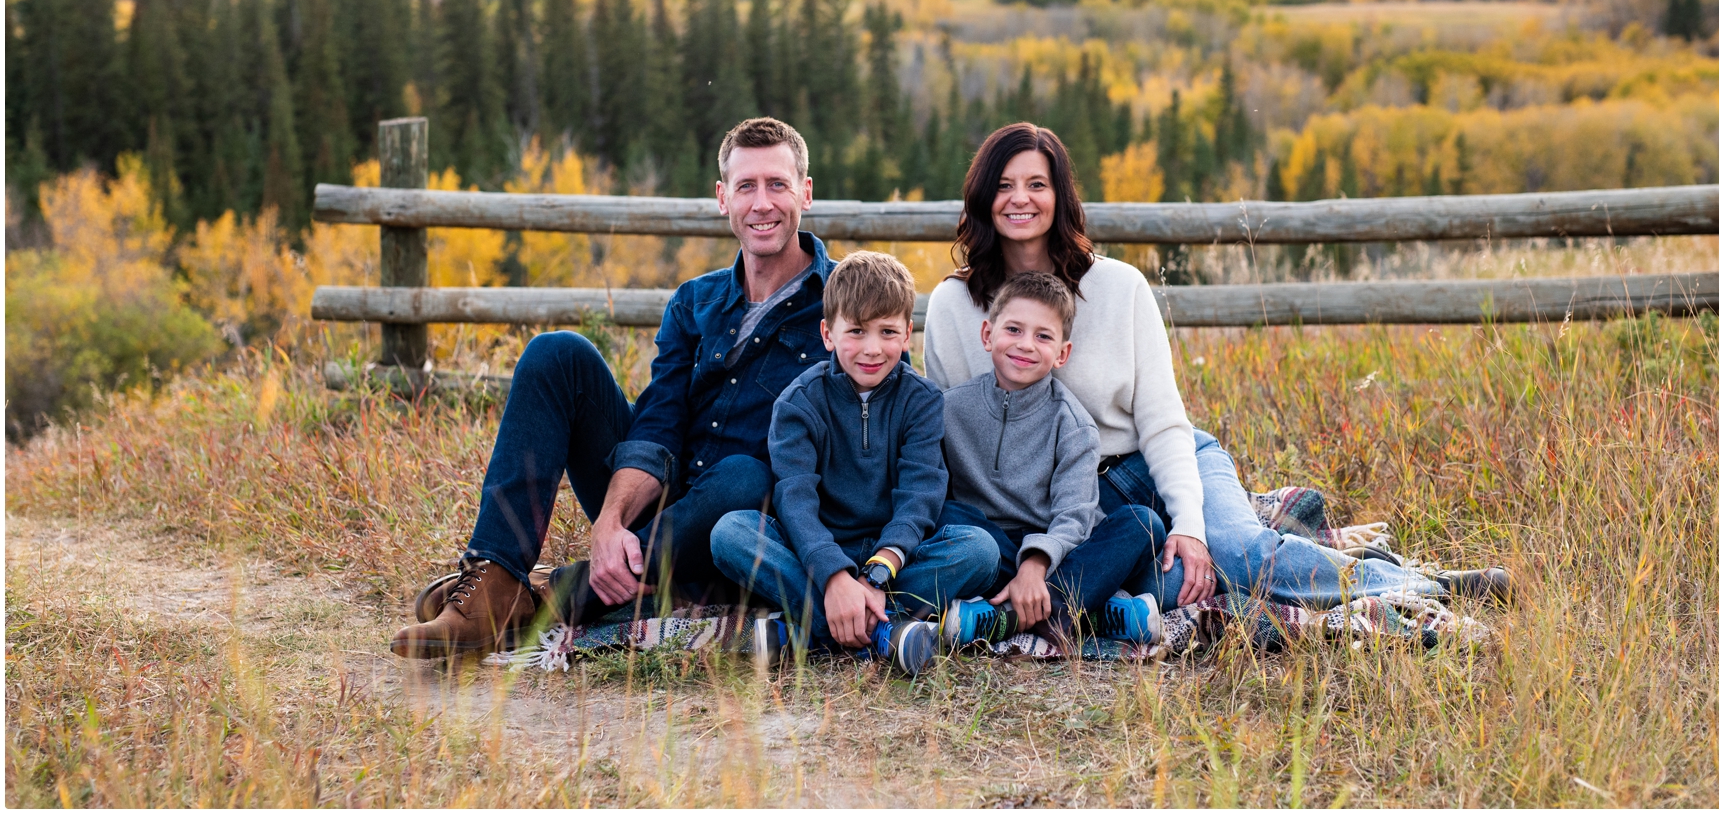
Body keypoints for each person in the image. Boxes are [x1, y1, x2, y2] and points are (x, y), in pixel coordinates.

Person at [924, 123, 1500, 612]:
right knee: (1181, 588)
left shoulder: (1119, 287)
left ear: (1060, 195)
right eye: (1003, 185)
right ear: (982, 196)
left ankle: (1420, 586)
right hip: (1074, 504)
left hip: (1151, 462)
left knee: (1238, 556)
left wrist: (1190, 526)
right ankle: (1338, 566)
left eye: (1036, 184)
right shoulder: (954, 306)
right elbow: (954, 440)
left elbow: (1163, 422)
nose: (1019, 199)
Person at [393, 117, 836, 658]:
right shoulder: (695, 301)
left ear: (805, 193)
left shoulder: (841, 305)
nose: (762, 203)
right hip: (665, 504)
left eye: (778, 185)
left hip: (740, 529)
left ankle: (552, 594)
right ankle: (495, 579)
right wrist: (609, 521)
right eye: (746, 186)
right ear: (723, 198)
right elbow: (659, 423)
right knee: (558, 354)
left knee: (746, 475)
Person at [710, 251, 999, 674]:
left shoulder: (922, 401)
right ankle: (884, 632)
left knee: (980, 550)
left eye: (887, 332)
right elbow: (795, 497)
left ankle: (805, 634)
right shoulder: (799, 403)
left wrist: (880, 570)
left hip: (894, 558)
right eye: (857, 331)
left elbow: (921, 492)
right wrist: (835, 577)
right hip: (817, 549)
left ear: (907, 335)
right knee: (730, 533)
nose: (872, 348)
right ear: (828, 333)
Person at [933, 270, 1167, 651]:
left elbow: (1075, 515)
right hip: (990, 549)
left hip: (1058, 554)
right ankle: (1080, 611)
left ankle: (1012, 616)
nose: (1026, 345)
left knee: (1143, 523)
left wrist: (1037, 563)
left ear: (1062, 353)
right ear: (987, 335)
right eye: (1013, 330)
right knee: (949, 515)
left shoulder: (1073, 425)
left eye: (1043, 336)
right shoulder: (949, 409)